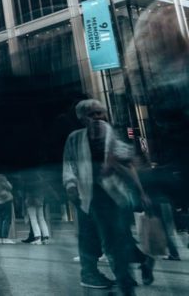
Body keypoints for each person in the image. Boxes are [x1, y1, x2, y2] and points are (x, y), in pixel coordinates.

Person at [63, 99, 153, 294]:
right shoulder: (75, 138)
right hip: (85, 196)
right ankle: (98, 273)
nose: (96, 117)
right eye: (91, 114)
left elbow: (129, 165)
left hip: (113, 196)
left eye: (99, 113)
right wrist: (70, 185)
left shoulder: (113, 136)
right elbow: (69, 163)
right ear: (82, 118)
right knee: (90, 237)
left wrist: (141, 191)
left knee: (114, 239)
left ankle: (124, 278)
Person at [22, 170, 50, 245]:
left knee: (33, 219)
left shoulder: (29, 181)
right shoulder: (40, 179)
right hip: (40, 200)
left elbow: (28, 191)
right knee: (41, 218)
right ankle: (46, 237)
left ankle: (37, 238)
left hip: (31, 201)